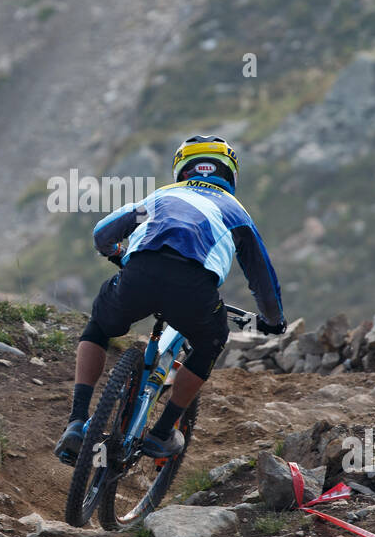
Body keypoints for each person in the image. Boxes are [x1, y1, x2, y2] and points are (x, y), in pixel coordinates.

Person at [54, 135, 286, 462]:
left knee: (98, 327)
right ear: (230, 173)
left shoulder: (162, 195)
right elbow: (262, 279)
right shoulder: (236, 212)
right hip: (193, 288)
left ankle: (77, 422)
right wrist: (273, 321)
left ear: (181, 169)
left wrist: (117, 254)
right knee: (210, 340)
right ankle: (161, 432)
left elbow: (102, 233)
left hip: (140, 273)